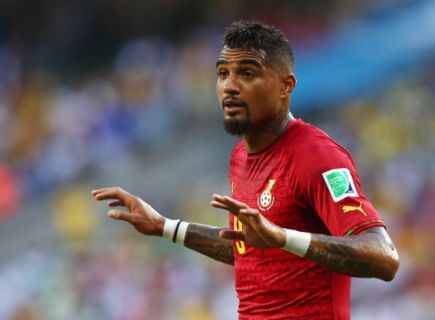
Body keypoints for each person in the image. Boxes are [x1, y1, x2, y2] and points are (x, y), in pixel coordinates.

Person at [92, 20, 399, 320]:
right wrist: (165, 227)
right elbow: (250, 250)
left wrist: (283, 237)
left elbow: (383, 258)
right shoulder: (241, 155)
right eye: (223, 74)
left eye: (247, 73)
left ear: (285, 85)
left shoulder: (316, 155)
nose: (230, 87)